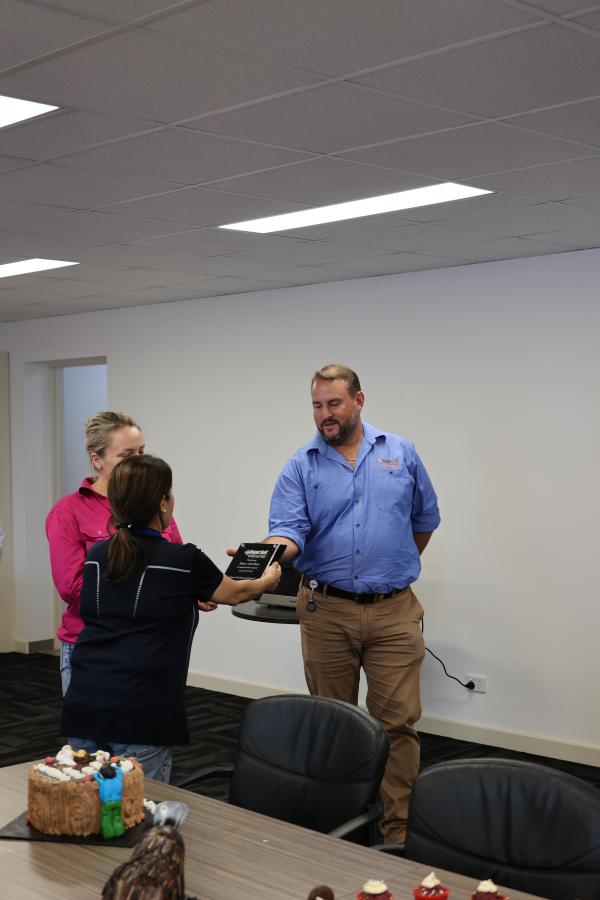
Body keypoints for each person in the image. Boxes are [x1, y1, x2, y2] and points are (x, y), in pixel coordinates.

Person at [266, 364, 440, 844]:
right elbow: (288, 530)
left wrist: (389, 569)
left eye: (334, 403)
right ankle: (339, 820)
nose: (325, 414)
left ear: (359, 401)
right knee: (333, 722)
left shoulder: (400, 453)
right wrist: (267, 555)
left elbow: (425, 519)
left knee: (397, 724)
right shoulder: (301, 464)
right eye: (318, 405)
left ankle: (396, 829)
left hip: (394, 610)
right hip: (327, 611)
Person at [61, 454, 281, 782]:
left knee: (87, 808)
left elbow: (133, 600)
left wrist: (187, 593)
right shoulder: (182, 559)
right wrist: (268, 578)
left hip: (84, 701)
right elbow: (237, 593)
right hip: (140, 711)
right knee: (141, 813)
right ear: (163, 503)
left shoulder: (97, 556)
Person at [46, 411, 184, 695]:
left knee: (148, 736)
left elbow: (177, 562)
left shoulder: (155, 504)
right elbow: (73, 587)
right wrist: (152, 591)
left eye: (141, 451)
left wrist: (193, 590)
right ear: (97, 460)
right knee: (91, 738)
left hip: (151, 644)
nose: (139, 461)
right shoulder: (68, 511)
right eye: (126, 455)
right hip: (93, 647)